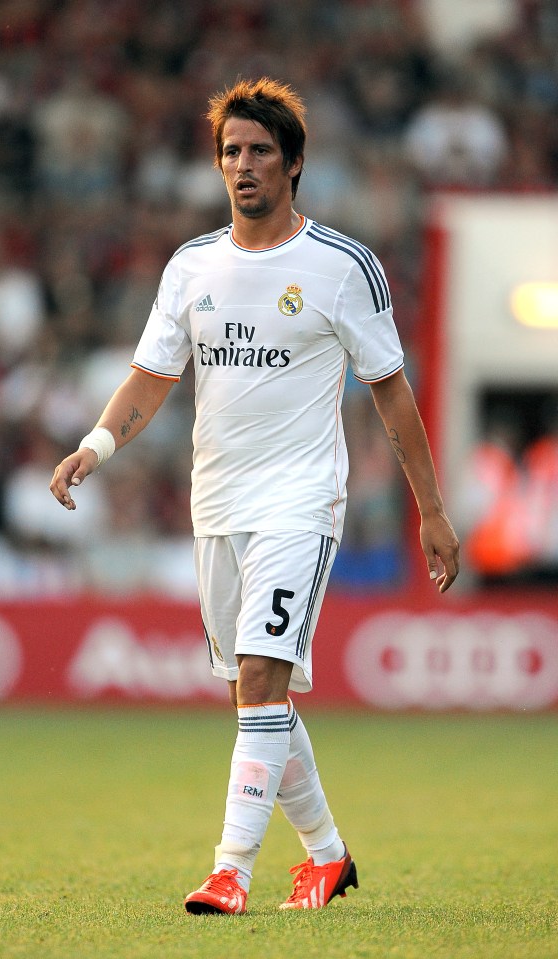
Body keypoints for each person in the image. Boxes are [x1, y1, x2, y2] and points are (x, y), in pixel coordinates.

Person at [50, 77, 460, 914]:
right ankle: (329, 855)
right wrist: (95, 445)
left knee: (265, 681)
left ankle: (230, 869)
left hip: (300, 502)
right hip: (218, 504)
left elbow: (390, 390)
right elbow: (152, 377)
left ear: (295, 163)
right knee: (252, 695)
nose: (242, 166)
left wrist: (433, 509)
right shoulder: (192, 267)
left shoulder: (343, 268)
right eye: (230, 151)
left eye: (259, 151)